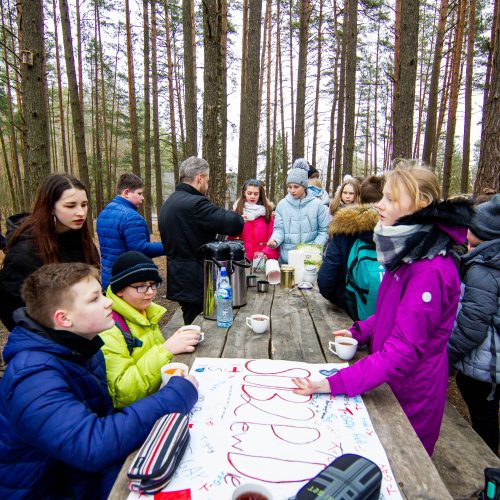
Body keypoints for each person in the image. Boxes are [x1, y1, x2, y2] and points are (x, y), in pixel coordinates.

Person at [292, 161, 473, 455]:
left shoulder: (431, 267)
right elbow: (392, 309)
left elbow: (404, 350)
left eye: (390, 199)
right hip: (388, 385)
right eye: (382, 196)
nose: (380, 205)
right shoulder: (410, 247)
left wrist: (333, 383)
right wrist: (361, 329)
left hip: (410, 396)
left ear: (421, 203)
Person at [0, 263, 198, 498]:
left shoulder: (81, 346)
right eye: (94, 299)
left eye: (102, 294)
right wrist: (175, 395)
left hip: (78, 477)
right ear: (63, 319)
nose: (109, 302)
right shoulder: (33, 377)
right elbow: (91, 446)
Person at [100, 251, 201, 408]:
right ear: (119, 290)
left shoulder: (143, 311)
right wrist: (165, 349)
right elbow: (122, 392)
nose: (150, 292)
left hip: (157, 395)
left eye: (153, 284)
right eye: (140, 286)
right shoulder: (109, 329)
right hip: (139, 414)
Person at [0, 174, 99, 331]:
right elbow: (12, 308)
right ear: (51, 207)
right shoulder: (25, 253)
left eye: (84, 205)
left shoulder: (83, 242)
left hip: (85, 336)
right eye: (70, 205)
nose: (80, 212)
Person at [159, 157, 244, 324]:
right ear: (199, 178)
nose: (207, 184)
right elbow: (235, 224)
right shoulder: (194, 204)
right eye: (207, 180)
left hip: (178, 277)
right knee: (201, 327)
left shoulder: (170, 202)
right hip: (196, 281)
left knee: (191, 322)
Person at [448, 194, 500, 454]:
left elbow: (472, 326)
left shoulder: (483, 268)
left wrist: (447, 357)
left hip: (484, 366)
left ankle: (486, 467)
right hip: (491, 362)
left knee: (483, 418)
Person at [318, 175, 384, 315]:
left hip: (354, 311)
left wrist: (348, 301)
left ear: (360, 197)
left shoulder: (345, 229)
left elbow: (326, 281)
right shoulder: (404, 230)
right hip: (391, 317)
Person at [97, 173, 164, 290]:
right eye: (139, 193)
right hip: (127, 281)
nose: (142, 197)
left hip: (108, 277)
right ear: (127, 193)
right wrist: (168, 246)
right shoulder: (131, 217)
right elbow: (141, 249)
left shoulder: (104, 212)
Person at [267, 159, 330, 264]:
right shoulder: (282, 205)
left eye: (296, 187)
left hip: (310, 259)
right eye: (290, 187)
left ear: (304, 186)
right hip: (287, 259)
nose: (292, 190)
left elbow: (324, 230)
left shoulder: (317, 205)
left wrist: (313, 248)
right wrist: (275, 240)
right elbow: (279, 229)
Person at [232, 179, 279, 263]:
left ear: (260, 195)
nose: (252, 196)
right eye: (249, 193)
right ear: (244, 193)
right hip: (242, 260)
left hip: (262, 260)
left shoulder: (267, 213)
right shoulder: (237, 212)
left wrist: (266, 254)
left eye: (256, 194)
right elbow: (231, 239)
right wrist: (236, 223)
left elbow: (272, 236)